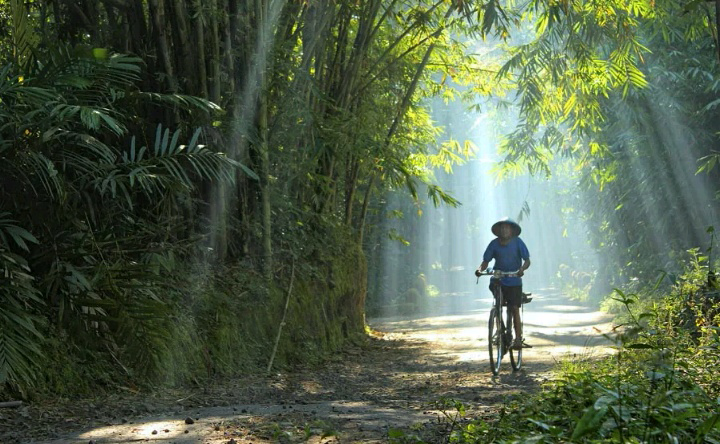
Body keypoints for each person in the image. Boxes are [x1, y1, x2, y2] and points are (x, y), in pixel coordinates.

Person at [475, 218, 531, 350]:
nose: (504, 230)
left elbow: (527, 260)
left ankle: (518, 338)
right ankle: (499, 329)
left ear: (512, 231)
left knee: (514, 308)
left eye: (507, 228)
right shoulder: (494, 244)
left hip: (514, 280)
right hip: (498, 279)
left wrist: (521, 269)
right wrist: (479, 270)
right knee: (498, 304)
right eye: (502, 228)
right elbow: (485, 261)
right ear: (499, 231)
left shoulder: (518, 242)